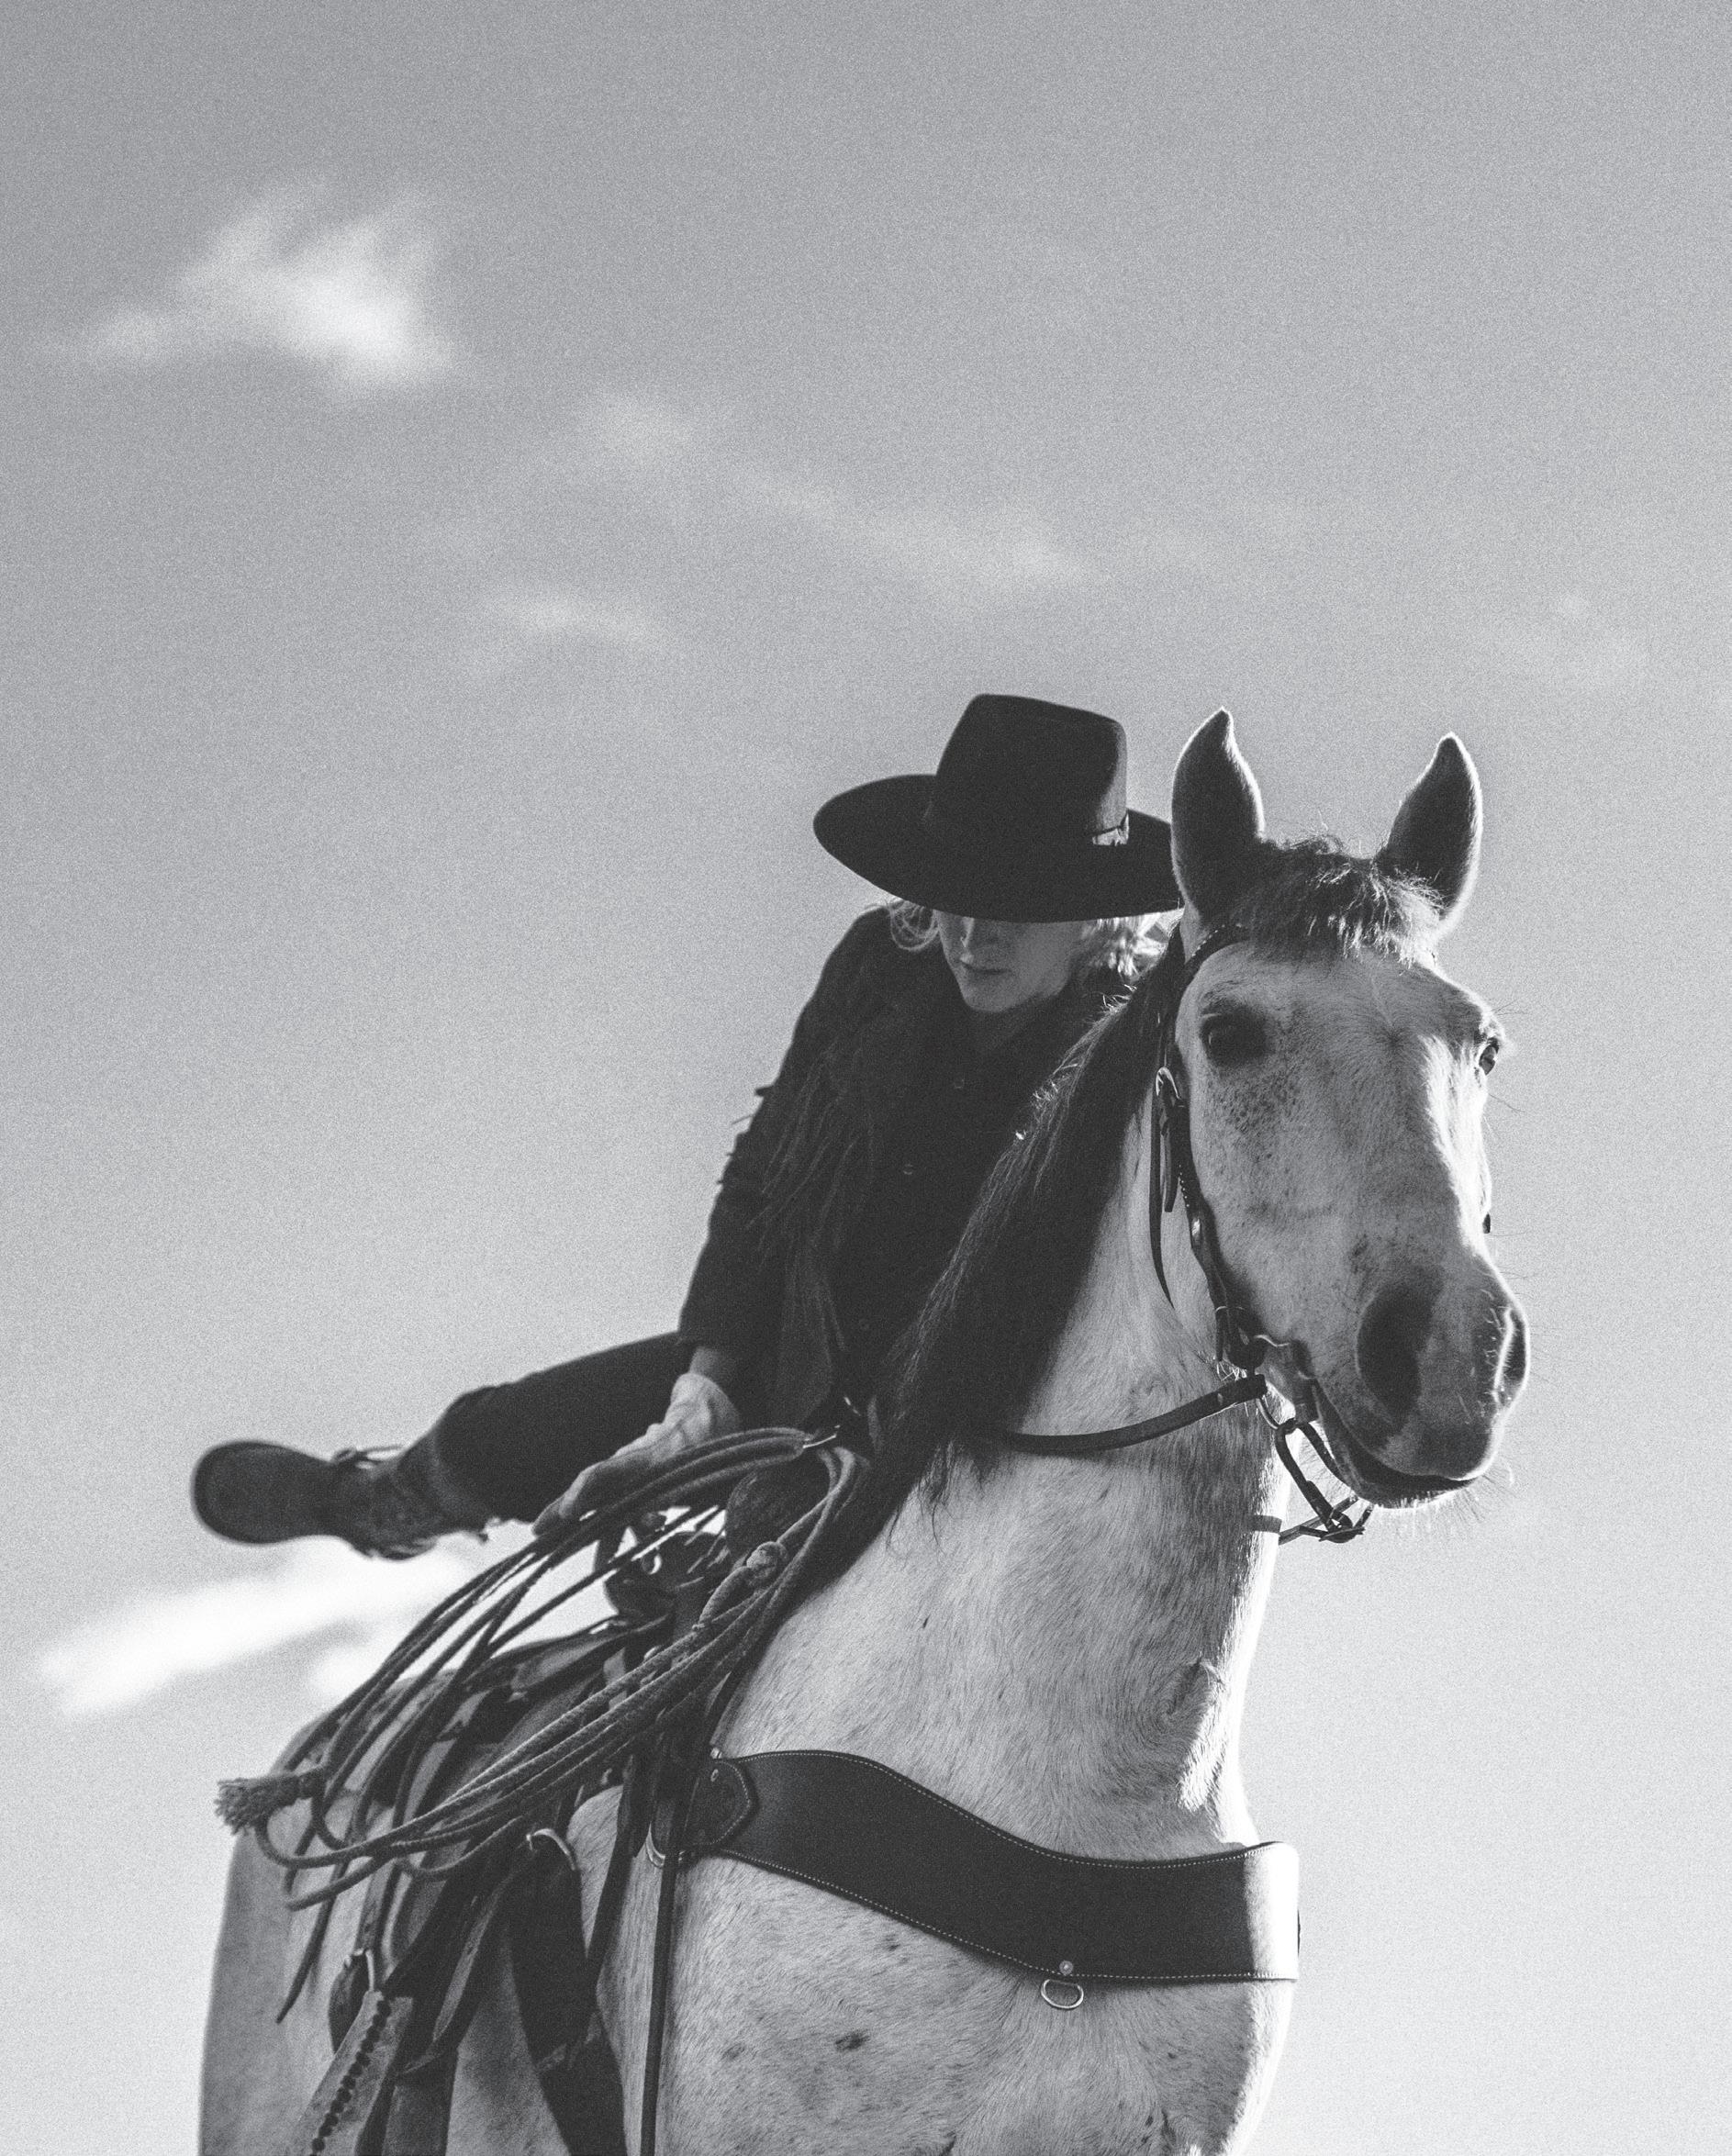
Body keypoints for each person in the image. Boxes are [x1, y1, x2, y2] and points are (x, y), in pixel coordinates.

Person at [191, 694, 1182, 1556]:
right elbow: (765, 1173)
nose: (972, 934)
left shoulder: (1130, 1063)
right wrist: (702, 1394)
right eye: (955, 897)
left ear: (1092, 915)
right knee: (504, 1436)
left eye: (1015, 907)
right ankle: (376, 1504)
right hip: (790, 1354)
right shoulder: (879, 969)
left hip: (971, 1420)